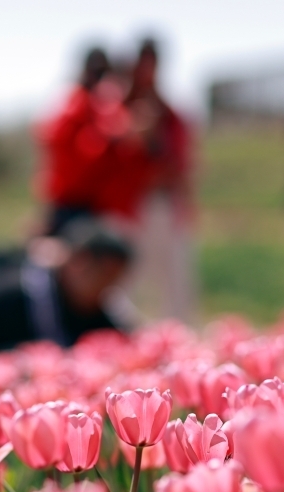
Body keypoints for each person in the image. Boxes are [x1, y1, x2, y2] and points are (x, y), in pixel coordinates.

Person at [0, 218, 133, 359]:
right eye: (103, 276)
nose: (107, 288)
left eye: (114, 280)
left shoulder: (98, 311)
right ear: (77, 262)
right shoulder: (9, 292)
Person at [105, 38, 198, 323]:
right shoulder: (115, 108)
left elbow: (180, 163)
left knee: (176, 282)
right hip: (128, 204)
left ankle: (180, 348)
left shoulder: (168, 112)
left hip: (163, 203)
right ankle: (118, 342)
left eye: (152, 61)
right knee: (121, 280)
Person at [34, 47, 148, 235]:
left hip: (94, 205)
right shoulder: (78, 104)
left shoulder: (101, 105)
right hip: (70, 202)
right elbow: (82, 150)